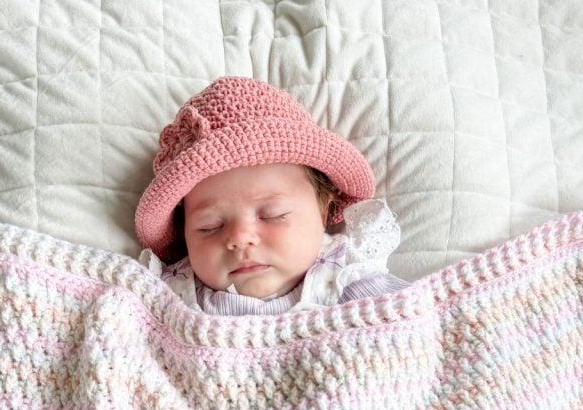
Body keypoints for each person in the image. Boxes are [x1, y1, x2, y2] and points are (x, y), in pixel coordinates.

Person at [135, 76, 410, 316]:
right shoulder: (167, 296)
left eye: (273, 215)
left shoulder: (349, 279)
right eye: (210, 226)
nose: (240, 238)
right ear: (184, 233)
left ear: (324, 209)